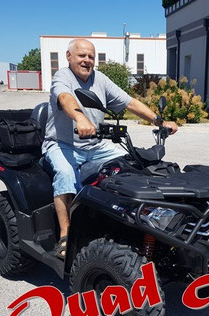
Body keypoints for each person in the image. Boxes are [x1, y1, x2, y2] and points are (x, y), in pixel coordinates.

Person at [42, 38, 178, 258]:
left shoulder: (99, 79)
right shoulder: (63, 76)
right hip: (62, 144)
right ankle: (66, 234)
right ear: (69, 57)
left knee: (132, 161)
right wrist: (80, 118)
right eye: (82, 55)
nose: (87, 60)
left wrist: (159, 121)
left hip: (94, 145)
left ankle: (128, 218)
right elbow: (65, 98)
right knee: (65, 174)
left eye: (91, 57)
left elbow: (129, 102)